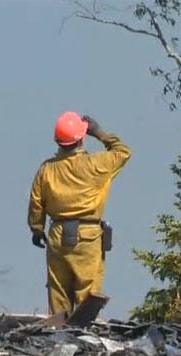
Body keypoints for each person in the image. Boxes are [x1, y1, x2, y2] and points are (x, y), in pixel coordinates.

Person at [28, 111, 131, 315]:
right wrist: (99, 132)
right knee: (87, 293)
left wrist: (37, 229)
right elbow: (123, 151)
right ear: (82, 138)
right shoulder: (96, 164)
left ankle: (58, 335)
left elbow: (36, 203)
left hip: (57, 235)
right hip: (88, 235)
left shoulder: (46, 169)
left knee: (58, 292)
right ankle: (84, 337)